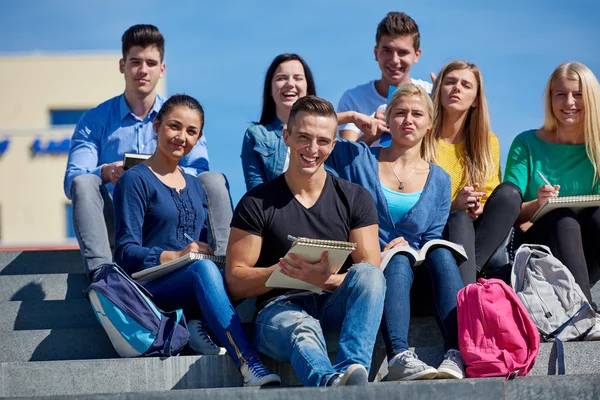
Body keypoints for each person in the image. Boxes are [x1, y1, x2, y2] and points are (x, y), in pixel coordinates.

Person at [112, 94, 280, 387]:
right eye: (174, 126)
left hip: (193, 281)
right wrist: (177, 255)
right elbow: (125, 253)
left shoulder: (194, 185)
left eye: (191, 132)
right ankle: (249, 362)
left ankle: (200, 325)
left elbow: (199, 244)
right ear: (156, 126)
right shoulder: (135, 179)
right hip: (150, 289)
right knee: (202, 271)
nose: (181, 137)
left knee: (238, 271)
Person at [227, 96, 385, 387]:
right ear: (286, 136)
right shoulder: (256, 202)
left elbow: (369, 274)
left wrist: (323, 279)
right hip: (278, 313)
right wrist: (285, 272)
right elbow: (236, 280)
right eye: (303, 137)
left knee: (370, 274)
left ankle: (353, 369)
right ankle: (334, 385)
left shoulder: (355, 198)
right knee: (303, 326)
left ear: (334, 145)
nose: (313, 150)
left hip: (333, 308)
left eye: (323, 141)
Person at [64, 24, 231, 280]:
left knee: (213, 179)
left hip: (169, 219)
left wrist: (156, 174)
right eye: (135, 62)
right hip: (119, 220)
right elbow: (71, 181)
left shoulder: (182, 116)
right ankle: (103, 276)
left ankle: (224, 266)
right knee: (85, 182)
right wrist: (107, 172)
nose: (143, 70)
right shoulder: (94, 120)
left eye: (151, 63)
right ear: (122, 65)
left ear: (162, 69)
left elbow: (199, 172)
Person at [326, 84, 465, 380]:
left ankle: (456, 353)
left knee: (438, 251)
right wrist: (350, 116)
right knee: (397, 258)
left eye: (416, 114)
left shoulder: (440, 179)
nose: (408, 120)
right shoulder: (359, 158)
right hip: (373, 273)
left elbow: (430, 238)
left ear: (430, 125)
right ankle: (399, 355)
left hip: (418, 280)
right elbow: (308, 132)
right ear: (387, 120)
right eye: (399, 113)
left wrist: (416, 250)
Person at [505, 62, 600, 307]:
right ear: (550, 99)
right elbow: (508, 212)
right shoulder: (526, 143)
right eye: (561, 94)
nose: (569, 102)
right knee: (563, 217)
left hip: (588, 253)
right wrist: (539, 203)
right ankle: (584, 311)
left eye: (578, 94)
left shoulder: (597, 148)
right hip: (540, 245)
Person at [427, 61, 522, 285]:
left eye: (466, 85)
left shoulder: (488, 141)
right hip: (440, 228)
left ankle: (471, 272)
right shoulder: (422, 140)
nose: (456, 88)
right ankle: (469, 286)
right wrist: (453, 206)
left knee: (510, 193)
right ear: (438, 89)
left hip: (478, 231)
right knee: (459, 219)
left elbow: (490, 192)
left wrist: (478, 205)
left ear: (476, 100)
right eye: (449, 82)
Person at [241, 53, 385, 191]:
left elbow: (347, 167)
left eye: (298, 78)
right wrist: (349, 116)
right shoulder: (257, 135)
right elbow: (255, 191)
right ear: (270, 88)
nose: (290, 84)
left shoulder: (328, 135)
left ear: (308, 88)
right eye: (281, 78)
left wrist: (368, 135)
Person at [337, 12, 433, 144]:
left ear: (417, 55)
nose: (394, 60)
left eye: (402, 52)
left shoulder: (431, 93)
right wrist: (372, 134)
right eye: (387, 51)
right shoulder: (354, 98)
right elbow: (345, 158)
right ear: (376, 53)